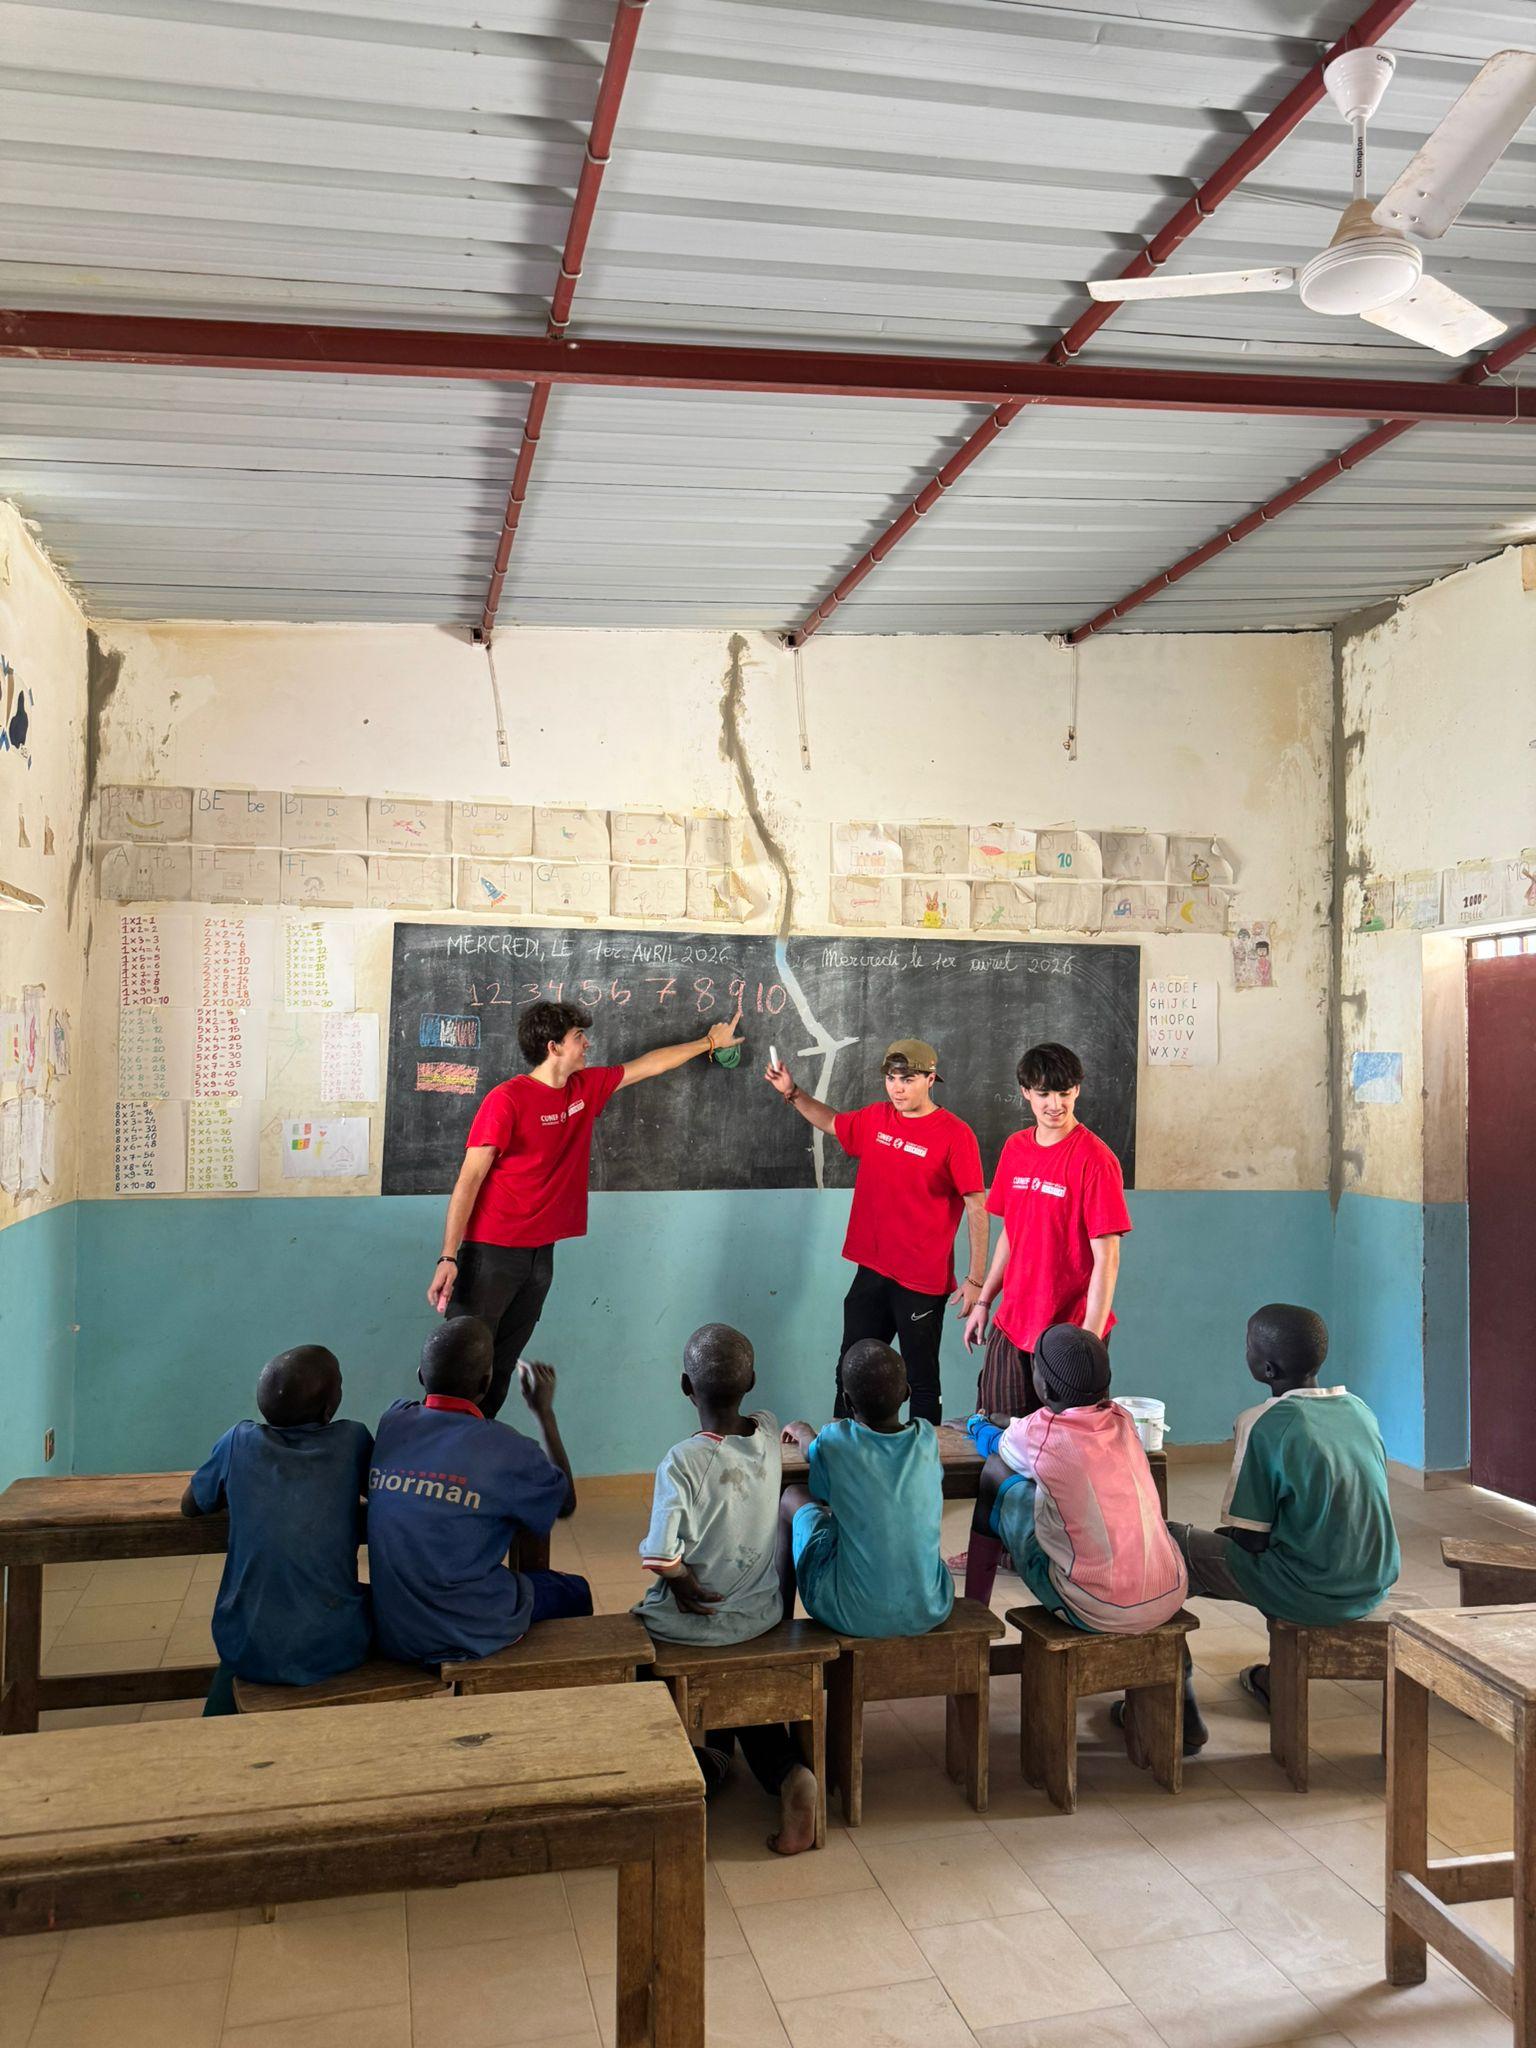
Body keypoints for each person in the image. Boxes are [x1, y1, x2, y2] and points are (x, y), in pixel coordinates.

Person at [430, 995, 745, 1418]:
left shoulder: (584, 1088)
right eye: (579, 1037)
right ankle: (438, 1450)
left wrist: (709, 1042)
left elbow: (649, 1065)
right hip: (490, 1253)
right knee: (460, 1370)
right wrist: (448, 1256)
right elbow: (469, 1180)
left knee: (498, 1370)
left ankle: (479, 1449)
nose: (587, 1044)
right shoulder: (507, 1099)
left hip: (539, 1256)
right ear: (554, 1047)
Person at [635, 1321, 818, 1856]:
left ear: (685, 1387)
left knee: (635, 1659)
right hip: (759, 1614)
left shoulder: (681, 1461)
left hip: (696, 1622)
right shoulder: (767, 1430)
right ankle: (786, 1773)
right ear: (752, 1381)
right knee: (737, 1684)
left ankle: (683, 1773)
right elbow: (771, 1426)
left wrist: (681, 1579)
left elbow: (659, 1555)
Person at [1170, 1303, 1400, 1712]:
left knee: (1169, 1546)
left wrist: (1214, 1540)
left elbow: (1251, 1539)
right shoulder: (1359, 1410)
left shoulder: (1263, 1422)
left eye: (1248, 1346)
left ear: (1267, 1369)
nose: (1245, 1352)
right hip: (1371, 1583)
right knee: (1291, 1539)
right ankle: (1273, 1678)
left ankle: (1173, 1701)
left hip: (1311, 1591)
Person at [765, 1037, 987, 1423]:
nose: (897, 1088)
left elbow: (976, 1206)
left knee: (920, 1379)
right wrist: (793, 1092)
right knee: (851, 1368)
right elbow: (832, 1122)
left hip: (921, 1280)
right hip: (872, 1270)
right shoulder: (876, 1118)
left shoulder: (955, 1134)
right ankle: (841, 1448)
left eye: (908, 1079)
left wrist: (976, 1279)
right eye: (891, 1079)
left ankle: (923, 1455)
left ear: (930, 1079)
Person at [367, 1318, 591, 1667]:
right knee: (574, 1591)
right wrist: (544, 1413)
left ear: (421, 1376)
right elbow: (565, 1504)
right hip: (465, 1628)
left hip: (395, 1630)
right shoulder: (507, 1448)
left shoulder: (393, 1421)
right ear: (487, 1383)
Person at [181, 1344, 372, 1715]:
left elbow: (191, 1505)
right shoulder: (352, 1441)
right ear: (329, 1409)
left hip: (243, 1643)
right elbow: (380, 1492)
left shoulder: (238, 1441)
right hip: (335, 1647)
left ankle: (217, 1719)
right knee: (379, 1602)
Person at [963, 1041, 1131, 1417]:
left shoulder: (1096, 1160)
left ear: (1077, 1090)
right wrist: (985, 1301)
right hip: (1014, 1320)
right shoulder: (1015, 1149)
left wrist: (1088, 1341)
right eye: (1044, 1094)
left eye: (1064, 1093)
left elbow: (1107, 1259)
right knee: (999, 1429)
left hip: (1070, 1329)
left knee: (1067, 1439)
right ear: (1026, 1092)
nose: (1055, 1104)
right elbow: (1012, 1233)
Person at [780, 1340, 954, 1638]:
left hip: (851, 1614)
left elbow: (813, 1462)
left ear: (847, 1401)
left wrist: (802, 1431)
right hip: (930, 1606)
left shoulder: (835, 1440)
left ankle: (781, 1623)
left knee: (792, 1497)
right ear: (907, 1393)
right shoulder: (926, 1438)